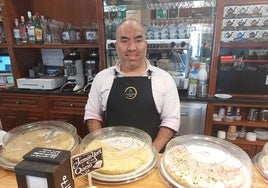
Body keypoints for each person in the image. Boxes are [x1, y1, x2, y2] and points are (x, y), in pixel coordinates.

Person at [84, 19, 180, 152]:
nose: (131, 47)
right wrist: (102, 146)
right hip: (113, 155)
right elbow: (92, 115)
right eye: (124, 41)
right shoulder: (101, 78)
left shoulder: (165, 79)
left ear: (146, 44)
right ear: (115, 45)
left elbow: (171, 121)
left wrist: (151, 152)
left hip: (150, 156)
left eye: (138, 40)